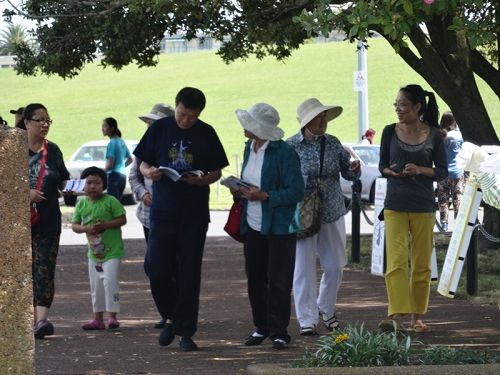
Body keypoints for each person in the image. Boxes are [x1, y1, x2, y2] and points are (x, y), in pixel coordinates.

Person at [133, 87, 228, 351]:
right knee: (157, 269)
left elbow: (217, 170)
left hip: (194, 213)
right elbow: (142, 162)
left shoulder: (206, 132)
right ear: (175, 106)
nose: (185, 120)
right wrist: (149, 171)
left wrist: (202, 180)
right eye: (182, 114)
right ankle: (172, 316)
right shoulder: (160, 129)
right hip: (162, 212)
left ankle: (186, 331)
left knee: (189, 272)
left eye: (192, 116)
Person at [232, 102, 304, 350]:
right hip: (252, 223)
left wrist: (264, 196)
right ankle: (261, 326)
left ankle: (279, 330)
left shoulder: (284, 152)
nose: (244, 127)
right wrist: (239, 189)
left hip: (280, 226)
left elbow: (296, 191)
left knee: (279, 280)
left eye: (249, 124)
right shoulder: (248, 148)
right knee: (255, 277)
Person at [287, 98, 360, 335]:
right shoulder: (291, 146)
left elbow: (347, 173)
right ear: (306, 121)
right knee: (303, 267)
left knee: (335, 264)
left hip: (332, 208)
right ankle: (307, 320)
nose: (322, 121)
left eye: (324, 117)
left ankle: (325, 307)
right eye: (317, 118)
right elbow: (286, 179)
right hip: (304, 210)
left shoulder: (333, 143)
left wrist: (354, 170)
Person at [378, 84, 447, 333]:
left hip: (423, 206)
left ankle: (416, 317)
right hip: (395, 204)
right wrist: (392, 172)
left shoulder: (435, 135)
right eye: (396, 104)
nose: (398, 109)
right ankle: (395, 314)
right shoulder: (389, 131)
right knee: (396, 262)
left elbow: (442, 171)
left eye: (403, 104)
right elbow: (382, 165)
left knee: (421, 265)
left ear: (417, 107)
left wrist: (420, 170)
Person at [25, 103, 71, 339]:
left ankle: (41, 321)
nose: (44, 124)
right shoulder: (12, 150)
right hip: (17, 223)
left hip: (48, 220)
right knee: (22, 271)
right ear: (26, 122)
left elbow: (63, 180)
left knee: (44, 269)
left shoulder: (53, 150)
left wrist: (72, 189)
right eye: (39, 120)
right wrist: (26, 193)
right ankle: (22, 320)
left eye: (48, 121)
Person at [128, 103, 175, 329]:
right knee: (153, 266)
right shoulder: (143, 146)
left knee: (169, 264)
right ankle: (166, 311)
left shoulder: (176, 146)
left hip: (173, 215)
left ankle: (175, 310)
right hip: (148, 216)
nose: (149, 126)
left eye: (153, 123)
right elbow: (134, 176)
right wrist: (143, 193)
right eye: (148, 123)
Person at [72, 166, 127, 331]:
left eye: (97, 182)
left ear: (104, 185)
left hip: (112, 252)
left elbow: (122, 219)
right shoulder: (81, 204)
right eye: (89, 182)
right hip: (94, 254)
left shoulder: (111, 201)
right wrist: (85, 229)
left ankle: (112, 317)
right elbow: (75, 225)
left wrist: (106, 225)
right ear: (83, 185)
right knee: (95, 285)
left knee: (110, 283)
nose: (93, 186)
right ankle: (98, 319)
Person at [436, 111, 465, 231]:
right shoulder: (459, 136)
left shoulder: (440, 136)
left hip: (442, 173)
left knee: (443, 199)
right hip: (457, 172)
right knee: (457, 197)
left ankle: (444, 223)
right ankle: (459, 223)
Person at [102, 117, 133, 202]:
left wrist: (102, 171)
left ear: (112, 128)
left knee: (112, 205)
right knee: (118, 204)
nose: (102, 129)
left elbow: (110, 165)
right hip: (122, 176)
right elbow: (130, 159)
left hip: (113, 177)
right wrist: (122, 166)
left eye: (105, 126)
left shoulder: (111, 143)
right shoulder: (121, 141)